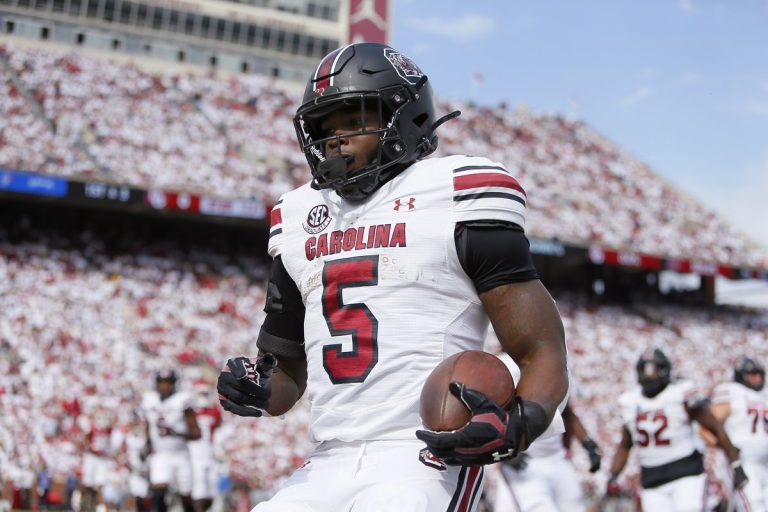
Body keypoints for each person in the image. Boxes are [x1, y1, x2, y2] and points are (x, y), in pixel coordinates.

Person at [217, 42, 569, 512]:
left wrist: (521, 422)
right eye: (323, 128)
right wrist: (257, 387)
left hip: (422, 452)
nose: (334, 139)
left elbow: (540, 350)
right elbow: (287, 376)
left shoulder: (455, 191)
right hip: (328, 457)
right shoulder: (297, 215)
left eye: (352, 119)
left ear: (404, 118)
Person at [607, 348, 748, 512]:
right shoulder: (630, 402)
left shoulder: (681, 394)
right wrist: (613, 475)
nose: (649, 375)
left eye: (654, 369)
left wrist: (736, 463)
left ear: (665, 370)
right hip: (652, 480)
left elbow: (715, 427)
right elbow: (625, 445)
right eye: (645, 369)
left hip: (686, 474)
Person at [492, 400, 601, 512]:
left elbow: (567, 413)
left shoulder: (558, 383)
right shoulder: (508, 383)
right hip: (526, 464)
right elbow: (488, 416)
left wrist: (588, 444)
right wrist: (504, 451)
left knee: (575, 507)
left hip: (558, 459)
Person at [705, 356, 768, 511]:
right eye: (752, 374)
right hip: (742, 462)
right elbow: (706, 428)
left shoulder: (764, 395)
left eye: (759, 374)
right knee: (754, 505)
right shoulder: (733, 392)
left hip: (764, 464)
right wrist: (728, 450)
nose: (757, 378)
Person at [141, 370, 201, 512]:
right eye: (162, 383)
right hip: (161, 454)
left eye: (168, 383)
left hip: (181, 455)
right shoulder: (150, 400)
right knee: (158, 492)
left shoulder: (182, 400)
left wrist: (179, 434)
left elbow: (197, 433)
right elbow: (148, 425)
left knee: (186, 496)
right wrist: (147, 444)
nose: (164, 386)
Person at [188, 380, 222, 512]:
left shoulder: (214, 411)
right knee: (199, 484)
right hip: (194, 451)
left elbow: (218, 430)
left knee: (212, 485)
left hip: (209, 451)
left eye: (205, 393)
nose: (203, 396)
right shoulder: (190, 411)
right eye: (200, 393)